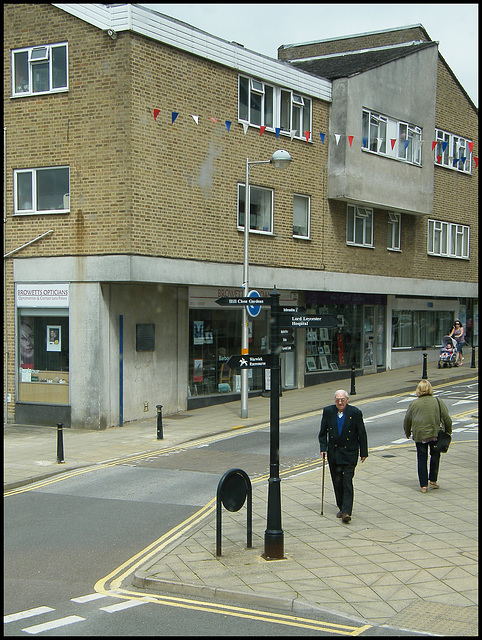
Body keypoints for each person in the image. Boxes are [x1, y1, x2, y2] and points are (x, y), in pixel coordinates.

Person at [318, 389, 368, 523]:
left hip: (350, 453)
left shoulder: (355, 413)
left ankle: (346, 511)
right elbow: (322, 433)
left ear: (347, 400)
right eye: (337, 400)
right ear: (334, 401)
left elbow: (361, 434)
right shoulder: (328, 412)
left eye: (342, 400)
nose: (340, 402)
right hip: (334, 453)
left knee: (347, 481)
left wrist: (364, 452)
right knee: (337, 482)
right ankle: (341, 506)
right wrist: (323, 448)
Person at [403, 380, 452, 493]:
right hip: (435, 434)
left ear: (418, 390)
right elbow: (446, 418)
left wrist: (407, 432)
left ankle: (423, 485)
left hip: (420, 436)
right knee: (435, 456)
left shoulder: (414, 404)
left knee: (421, 458)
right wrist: (448, 431)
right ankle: (433, 481)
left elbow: (407, 420)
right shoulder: (437, 401)